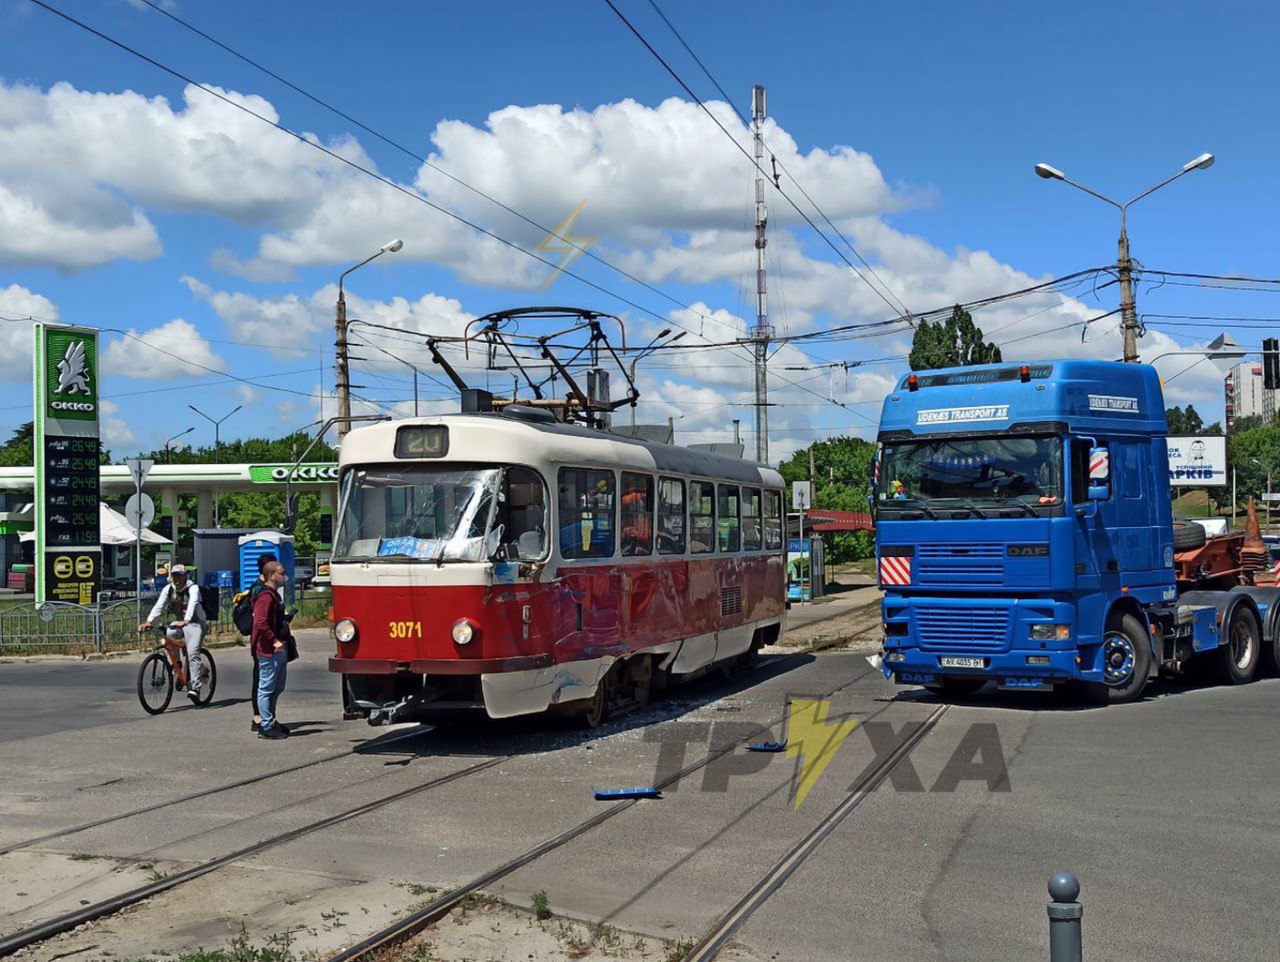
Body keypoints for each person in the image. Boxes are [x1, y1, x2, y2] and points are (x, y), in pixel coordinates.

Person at [139, 564, 207, 704]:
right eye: (174, 575)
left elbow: (193, 603)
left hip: (195, 623)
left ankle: (195, 687)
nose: (177, 578)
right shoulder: (169, 589)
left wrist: (186, 620)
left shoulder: (192, 588)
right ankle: (177, 664)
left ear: (185, 576)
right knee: (169, 633)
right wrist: (149, 621)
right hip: (179, 622)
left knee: (193, 653)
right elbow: (159, 605)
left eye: (179, 575)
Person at [252, 561, 293, 740]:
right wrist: (275, 641)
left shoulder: (274, 596)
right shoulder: (265, 597)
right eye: (281, 573)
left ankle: (271, 720)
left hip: (279, 648)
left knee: (277, 687)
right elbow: (260, 623)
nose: (284, 576)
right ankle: (265, 725)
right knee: (266, 688)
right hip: (269, 650)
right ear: (271, 576)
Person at [248, 553, 278, 734]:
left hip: (263, 640)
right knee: (262, 681)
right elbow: (260, 621)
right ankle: (260, 719)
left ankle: (264, 717)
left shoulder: (260, 588)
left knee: (264, 680)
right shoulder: (261, 590)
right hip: (263, 642)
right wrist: (274, 639)